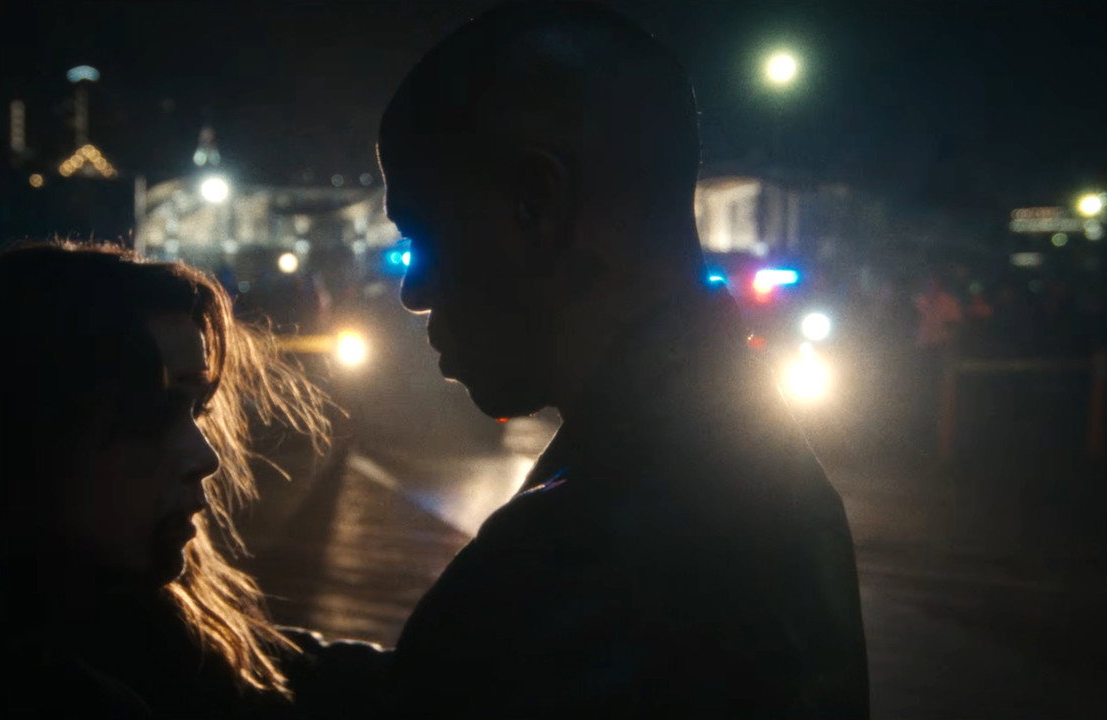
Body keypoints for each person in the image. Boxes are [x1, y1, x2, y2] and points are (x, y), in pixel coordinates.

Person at [368, 2, 870, 717]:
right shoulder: (760, 471)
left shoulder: (579, 561)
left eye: (422, 236)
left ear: (537, 202)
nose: (413, 293)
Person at [0, 241, 330, 718]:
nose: (206, 457)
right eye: (153, 412)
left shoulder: (166, 639)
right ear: (23, 435)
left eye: (199, 410)